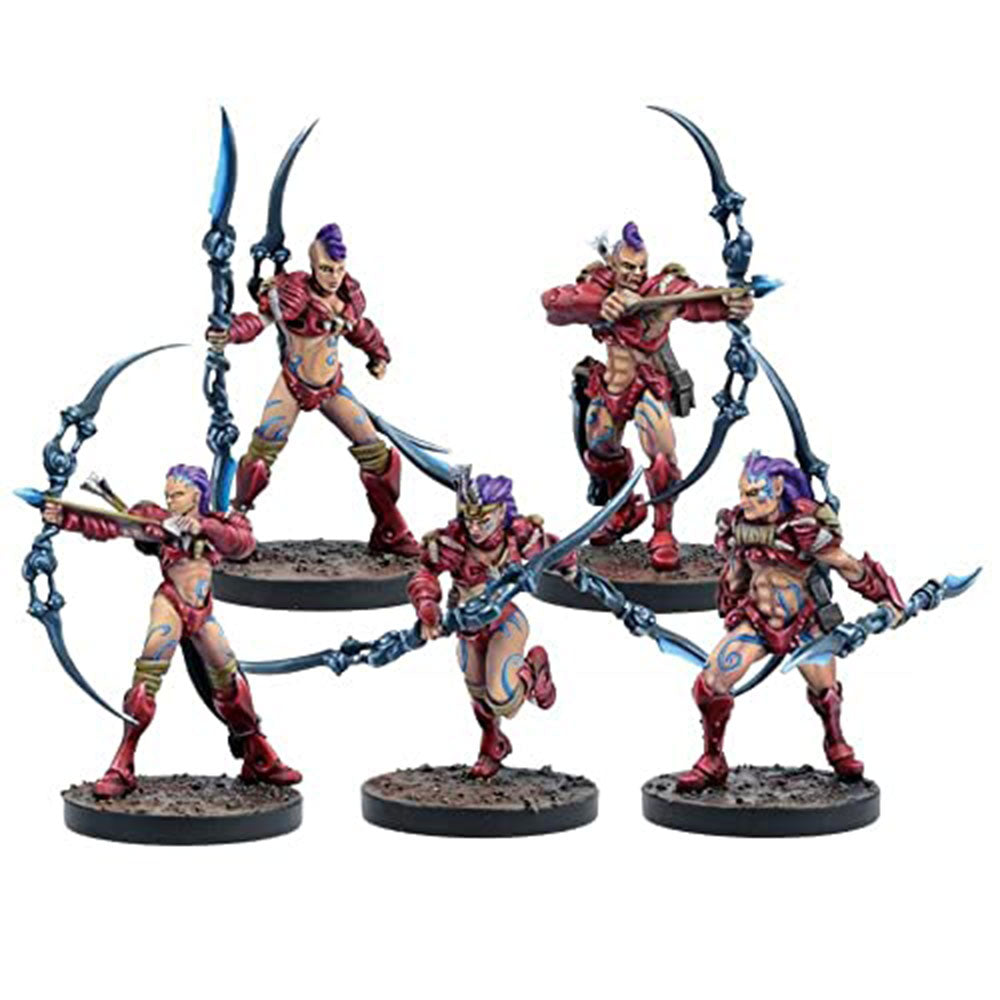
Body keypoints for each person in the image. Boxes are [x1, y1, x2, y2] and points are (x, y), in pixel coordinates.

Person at [42, 464, 301, 798]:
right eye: (168, 495)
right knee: (146, 682)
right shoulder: (159, 522)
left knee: (231, 683)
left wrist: (204, 526)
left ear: (197, 494)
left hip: (202, 611)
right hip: (171, 604)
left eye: (177, 494)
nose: (171, 501)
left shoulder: (221, 524)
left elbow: (243, 545)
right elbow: (114, 525)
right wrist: (65, 518)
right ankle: (122, 766)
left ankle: (257, 757)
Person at [675, 452, 905, 792]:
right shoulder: (739, 526)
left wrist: (885, 599)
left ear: (779, 487)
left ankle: (836, 743)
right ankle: (712, 759)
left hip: (803, 624)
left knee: (826, 694)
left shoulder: (804, 531)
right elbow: (735, 573)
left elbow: (845, 564)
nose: (745, 501)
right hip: (757, 621)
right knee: (711, 682)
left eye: (754, 493)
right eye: (742, 493)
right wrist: (730, 593)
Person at [542, 221, 753, 569]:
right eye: (628, 267)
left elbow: (704, 304)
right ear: (612, 265)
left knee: (661, 456)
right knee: (600, 450)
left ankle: (663, 531)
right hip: (611, 384)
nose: (636, 274)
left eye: (641, 267)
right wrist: (602, 303)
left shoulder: (664, 289)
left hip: (646, 385)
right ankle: (624, 510)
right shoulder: (598, 285)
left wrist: (733, 304)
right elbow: (553, 305)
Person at [207, 223, 419, 555]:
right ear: (313, 265)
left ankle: (389, 527)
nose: (333, 277)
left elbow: (361, 330)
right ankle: (236, 522)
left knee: (377, 455)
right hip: (293, 385)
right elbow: (260, 321)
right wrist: (230, 332)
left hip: (332, 387)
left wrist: (378, 355)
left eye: (338, 269)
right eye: (326, 269)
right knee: (262, 455)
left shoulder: (346, 298)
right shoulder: (293, 296)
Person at [406, 470, 574, 777]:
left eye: (483, 521)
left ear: (500, 512)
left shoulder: (517, 534)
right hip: (467, 627)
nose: (474, 528)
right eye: (470, 519)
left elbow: (552, 549)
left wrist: (570, 567)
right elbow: (424, 573)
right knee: (477, 691)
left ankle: (535, 670)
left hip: (505, 622)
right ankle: (492, 743)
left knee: (502, 699)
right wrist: (427, 605)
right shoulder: (453, 542)